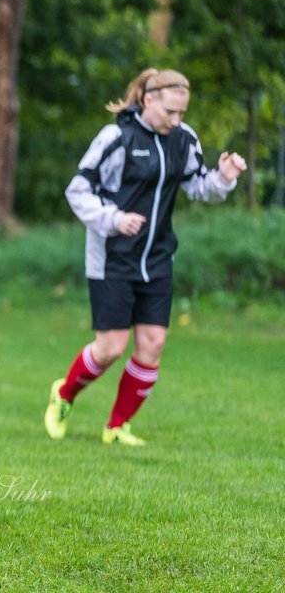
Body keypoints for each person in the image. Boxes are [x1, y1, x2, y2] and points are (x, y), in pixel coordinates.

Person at [44, 68, 246, 446]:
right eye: (170, 112)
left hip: (157, 258)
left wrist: (224, 177)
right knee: (110, 348)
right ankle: (65, 394)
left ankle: (117, 427)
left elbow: (199, 187)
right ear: (148, 100)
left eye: (182, 113)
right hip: (112, 258)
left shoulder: (183, 139)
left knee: (152, 344)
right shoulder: (117, 136)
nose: (177, 120)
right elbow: (78, 190)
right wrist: (114, 219)